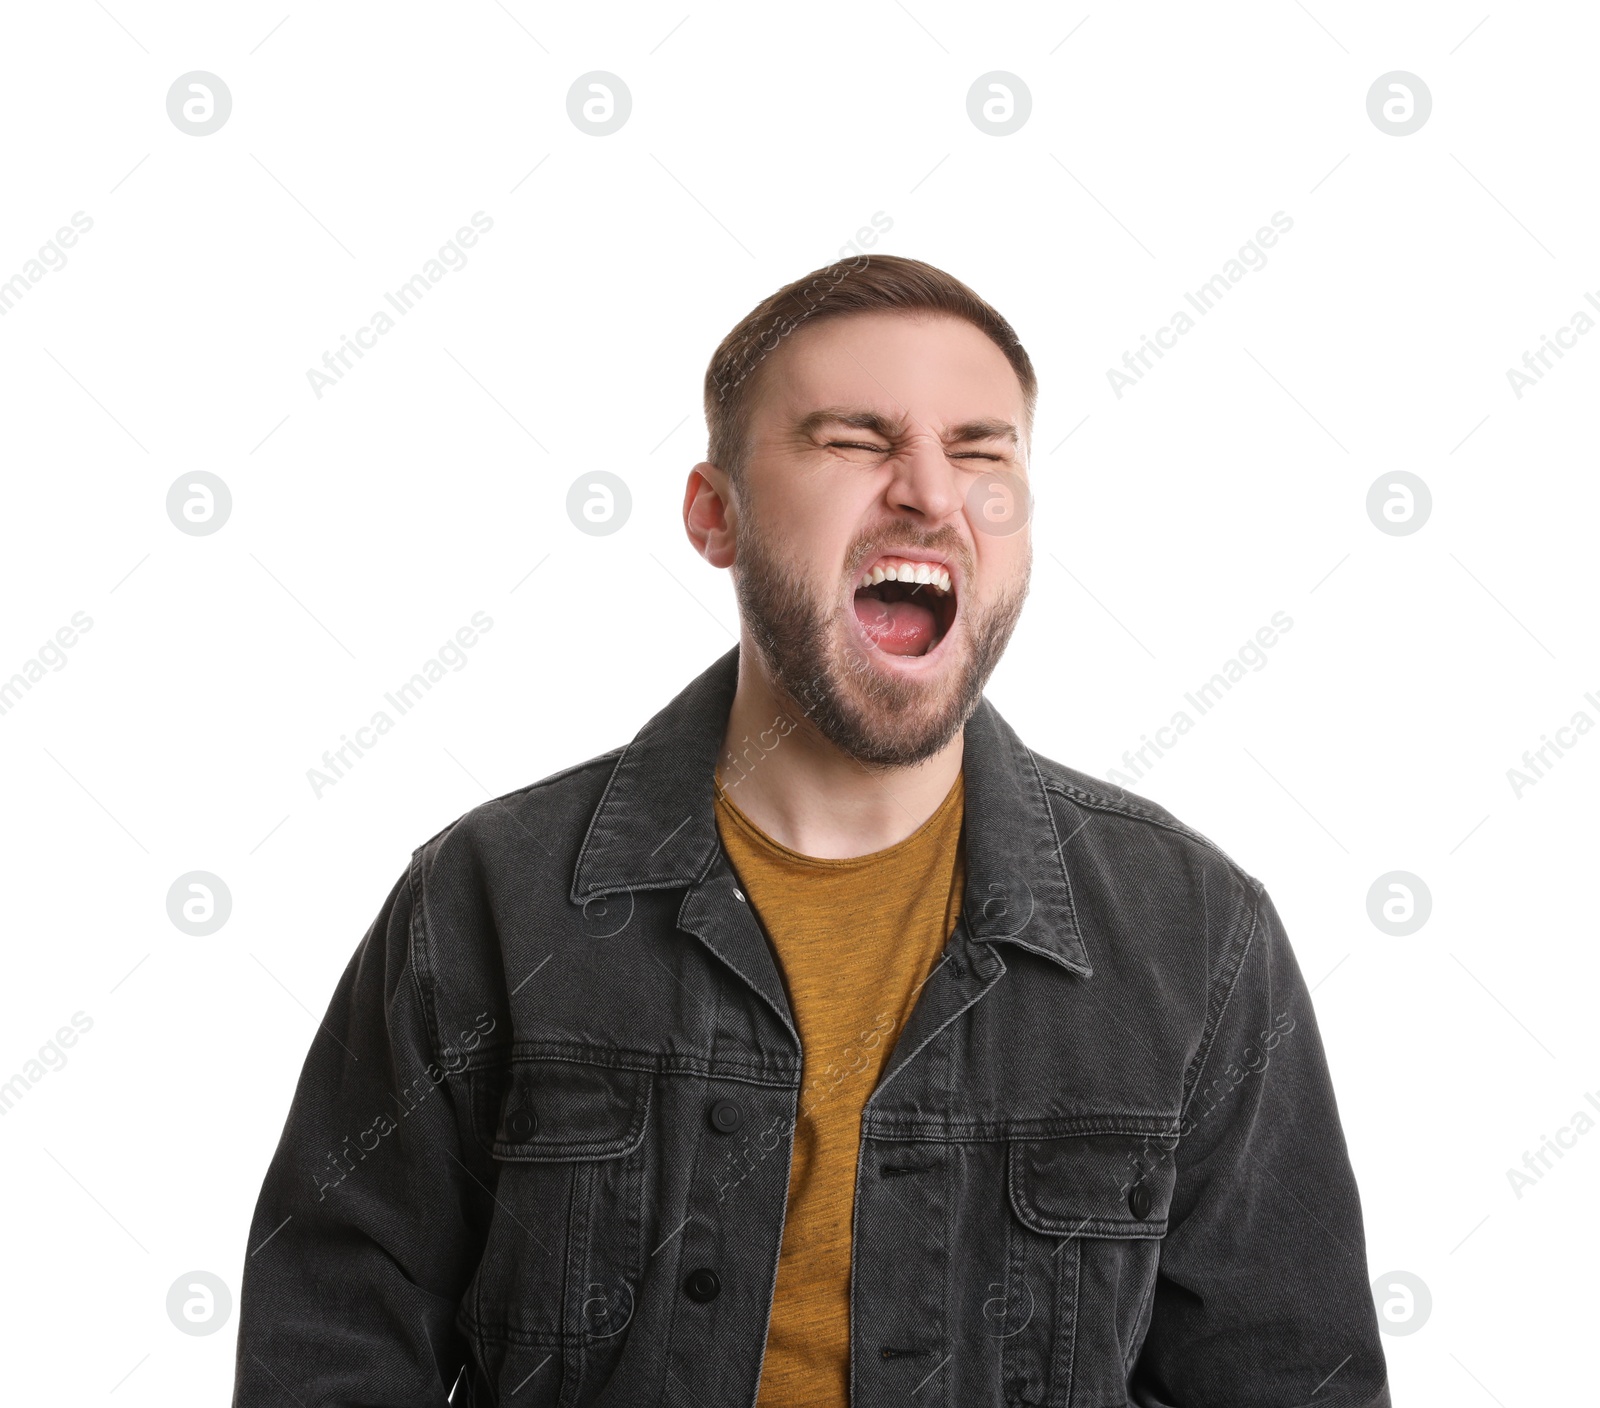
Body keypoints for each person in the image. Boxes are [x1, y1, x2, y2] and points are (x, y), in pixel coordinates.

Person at [233, 254, 1390, 1407]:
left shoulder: (1193, 932)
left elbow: (1290, 1378)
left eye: (982, 450)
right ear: (714, 514)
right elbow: (330, 1347)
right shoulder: (488, 900)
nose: (931, 492)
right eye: (852, 439)